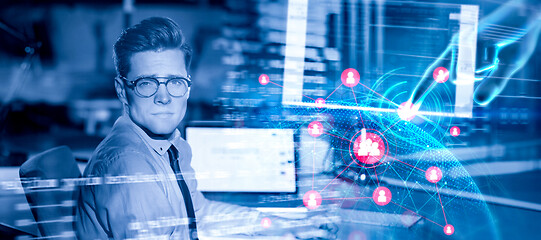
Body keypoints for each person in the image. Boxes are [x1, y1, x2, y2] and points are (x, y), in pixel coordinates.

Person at [76, 17, 336, 240]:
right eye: (147, 83)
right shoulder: (129, 164)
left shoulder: (167, 147)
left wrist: (279, 225)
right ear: (122, 91)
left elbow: (199, 214)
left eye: (175, 82)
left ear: (187, 88)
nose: (164, 97)